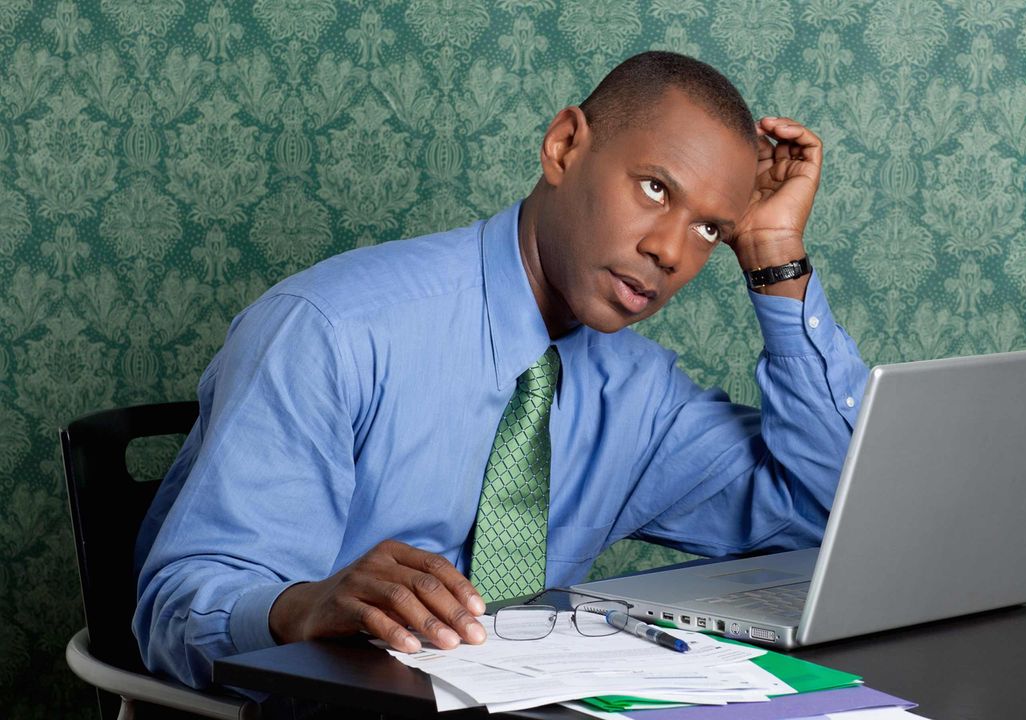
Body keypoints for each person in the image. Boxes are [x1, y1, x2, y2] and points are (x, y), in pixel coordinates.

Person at [134, 50, 868, 690]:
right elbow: (177, 608)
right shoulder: (331, 332)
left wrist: (774, 254)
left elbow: (836, 520)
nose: (672, 251)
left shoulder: (642, 399)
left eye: (710, 228)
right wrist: (304, 607)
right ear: (562, 146)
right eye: (654, 189)